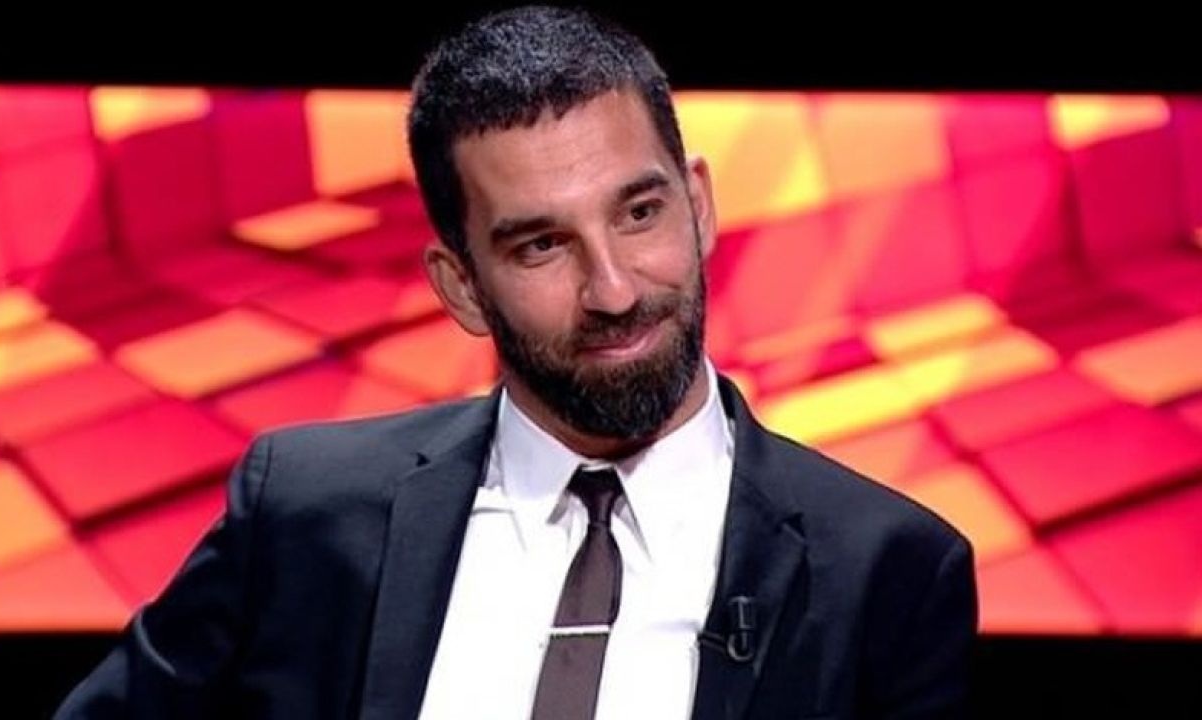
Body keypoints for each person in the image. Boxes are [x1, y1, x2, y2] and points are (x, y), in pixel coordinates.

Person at [55, 5, 976, 719]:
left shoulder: (885, 571)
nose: (613, 288)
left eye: (640, 213)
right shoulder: (304, 514)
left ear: (698, 205)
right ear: (460, 285)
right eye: (541, 245)